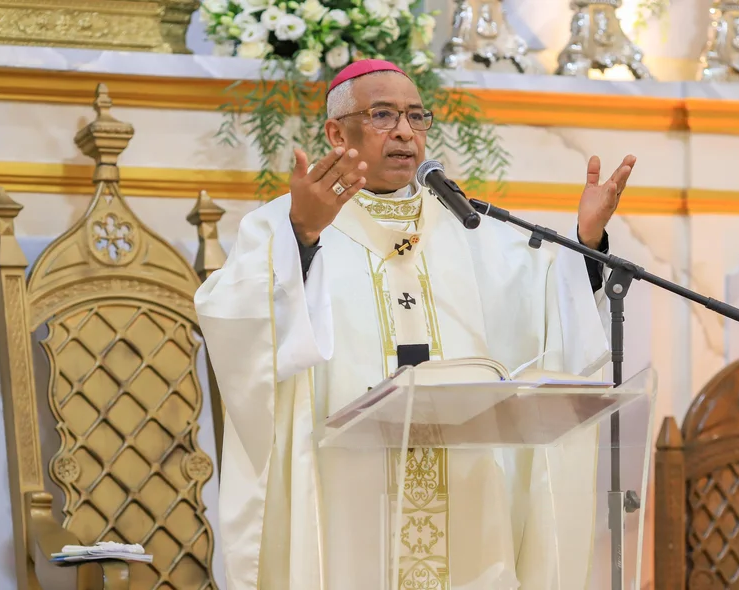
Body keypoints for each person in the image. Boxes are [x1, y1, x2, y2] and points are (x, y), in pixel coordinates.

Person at [195, 59, 637, 590]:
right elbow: (233, 320)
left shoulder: (465, 225)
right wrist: (302, 240)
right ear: (337, 132)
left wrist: (584, 243)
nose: (405, 131)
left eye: (416, 117)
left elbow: (541, 307)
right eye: (383, 115)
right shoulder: (284, 223)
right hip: (349, 487)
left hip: (464, 481)